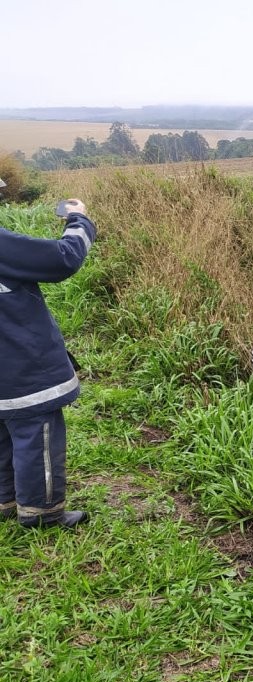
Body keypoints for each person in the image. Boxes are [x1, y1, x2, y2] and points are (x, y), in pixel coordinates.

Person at [0, 178, 97, 528]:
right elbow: (63, 260)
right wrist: (79, 220)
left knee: (4, 435)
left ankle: (7, 501)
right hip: (21, 370)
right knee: (36, 437)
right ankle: (42, 514)